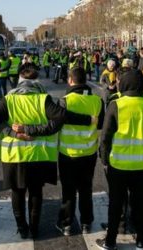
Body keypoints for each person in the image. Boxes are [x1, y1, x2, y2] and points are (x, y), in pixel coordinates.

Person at [0, 64, 95, 239]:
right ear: (36, 81)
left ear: (20, 81)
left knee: (17, 192)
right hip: (40, 155)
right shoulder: (43, 98)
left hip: (14, 155)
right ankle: (35, 229)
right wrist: (88, 119)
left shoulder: (8, 99)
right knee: (36, 192)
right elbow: (62, 117)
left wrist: (14, 132)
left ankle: (22, 228)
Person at [96, 69, 143, 250]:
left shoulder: (116, 105)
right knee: (140, 202)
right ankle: (141, 239)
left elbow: (106, 137)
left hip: (119, 164)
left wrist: (104, 160)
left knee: (116, 203)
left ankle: (110, 241)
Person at [55, 67, 104, 236]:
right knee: (85, 189)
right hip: (89, 153)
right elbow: (100, 124)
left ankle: (66, 224)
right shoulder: (97, 101)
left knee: (68, 191)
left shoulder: (65, 101)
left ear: (70, 80)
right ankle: (86, 222)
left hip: (68, 153)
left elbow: (56, 125)